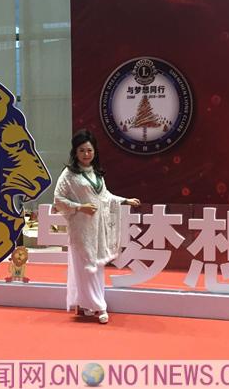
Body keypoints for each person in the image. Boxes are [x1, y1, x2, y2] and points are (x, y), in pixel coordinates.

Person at [53, 129, 140, 324]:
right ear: (75, 152)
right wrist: (80, 207)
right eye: (82, 150)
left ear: (94, 151)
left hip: (98, 230)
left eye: (89, 150)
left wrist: (125, 200)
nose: (86, 154)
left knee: (96, 269)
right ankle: (100, 306)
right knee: (85, 268)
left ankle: (88, 305)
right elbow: (58, 199)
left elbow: (105, 197)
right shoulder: (69, 174)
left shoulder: (96, 173)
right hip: (81, 230)